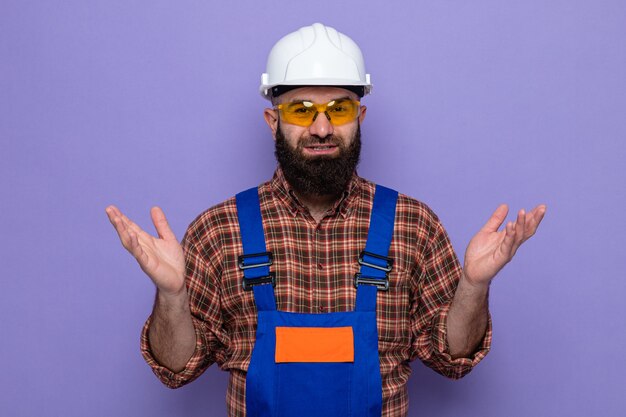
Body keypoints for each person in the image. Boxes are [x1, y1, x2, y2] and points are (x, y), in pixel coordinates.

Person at [106, 23, 546, 417]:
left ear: (360, 117)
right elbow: (175, 368)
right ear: (271, 119)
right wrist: (171, 294)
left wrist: (474, 285)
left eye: (339, 109)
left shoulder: (412, 225)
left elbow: (453, 359)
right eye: (300, 110)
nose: (321, 128)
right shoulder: (220, 230)